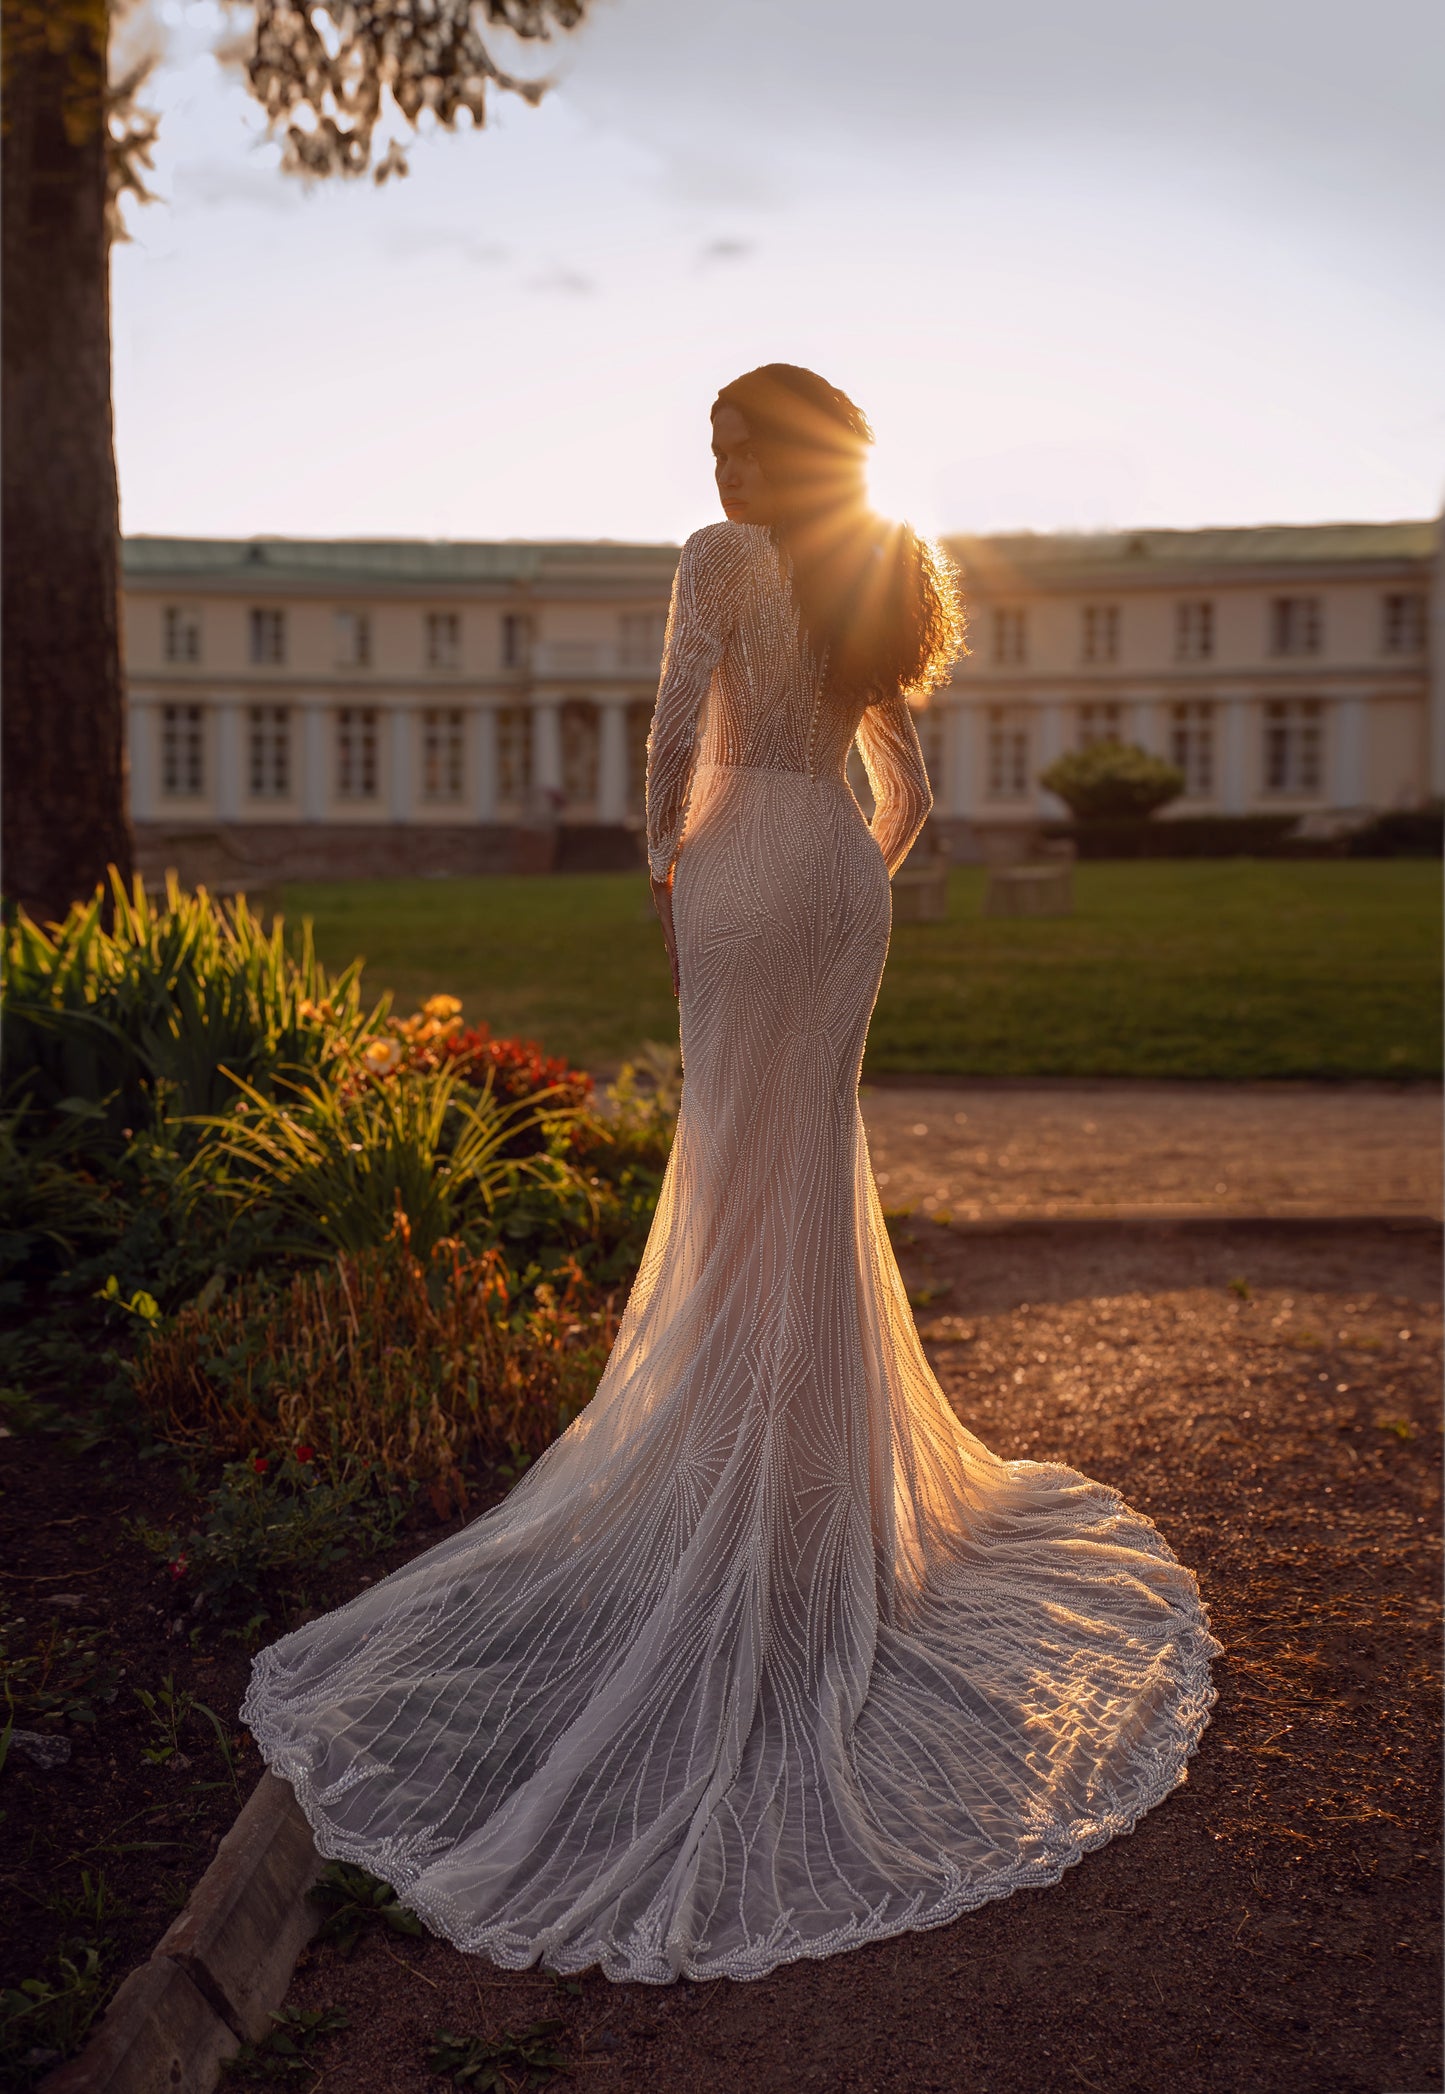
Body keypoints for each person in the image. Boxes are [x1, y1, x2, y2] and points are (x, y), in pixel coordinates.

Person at [243, 364, 1218, 1985]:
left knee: (739, 1176)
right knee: (806, 1179)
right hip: (835, 873)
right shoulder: (880, 563)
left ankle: (740, 1483)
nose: (716, 463)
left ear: (787, 450)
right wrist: (843, 864)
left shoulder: (716, 555)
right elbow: (903, 785)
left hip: (743, 870)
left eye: (737, 440)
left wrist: (663, 860)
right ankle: (809, 1502)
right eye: (711, 444)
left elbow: (670, 713)